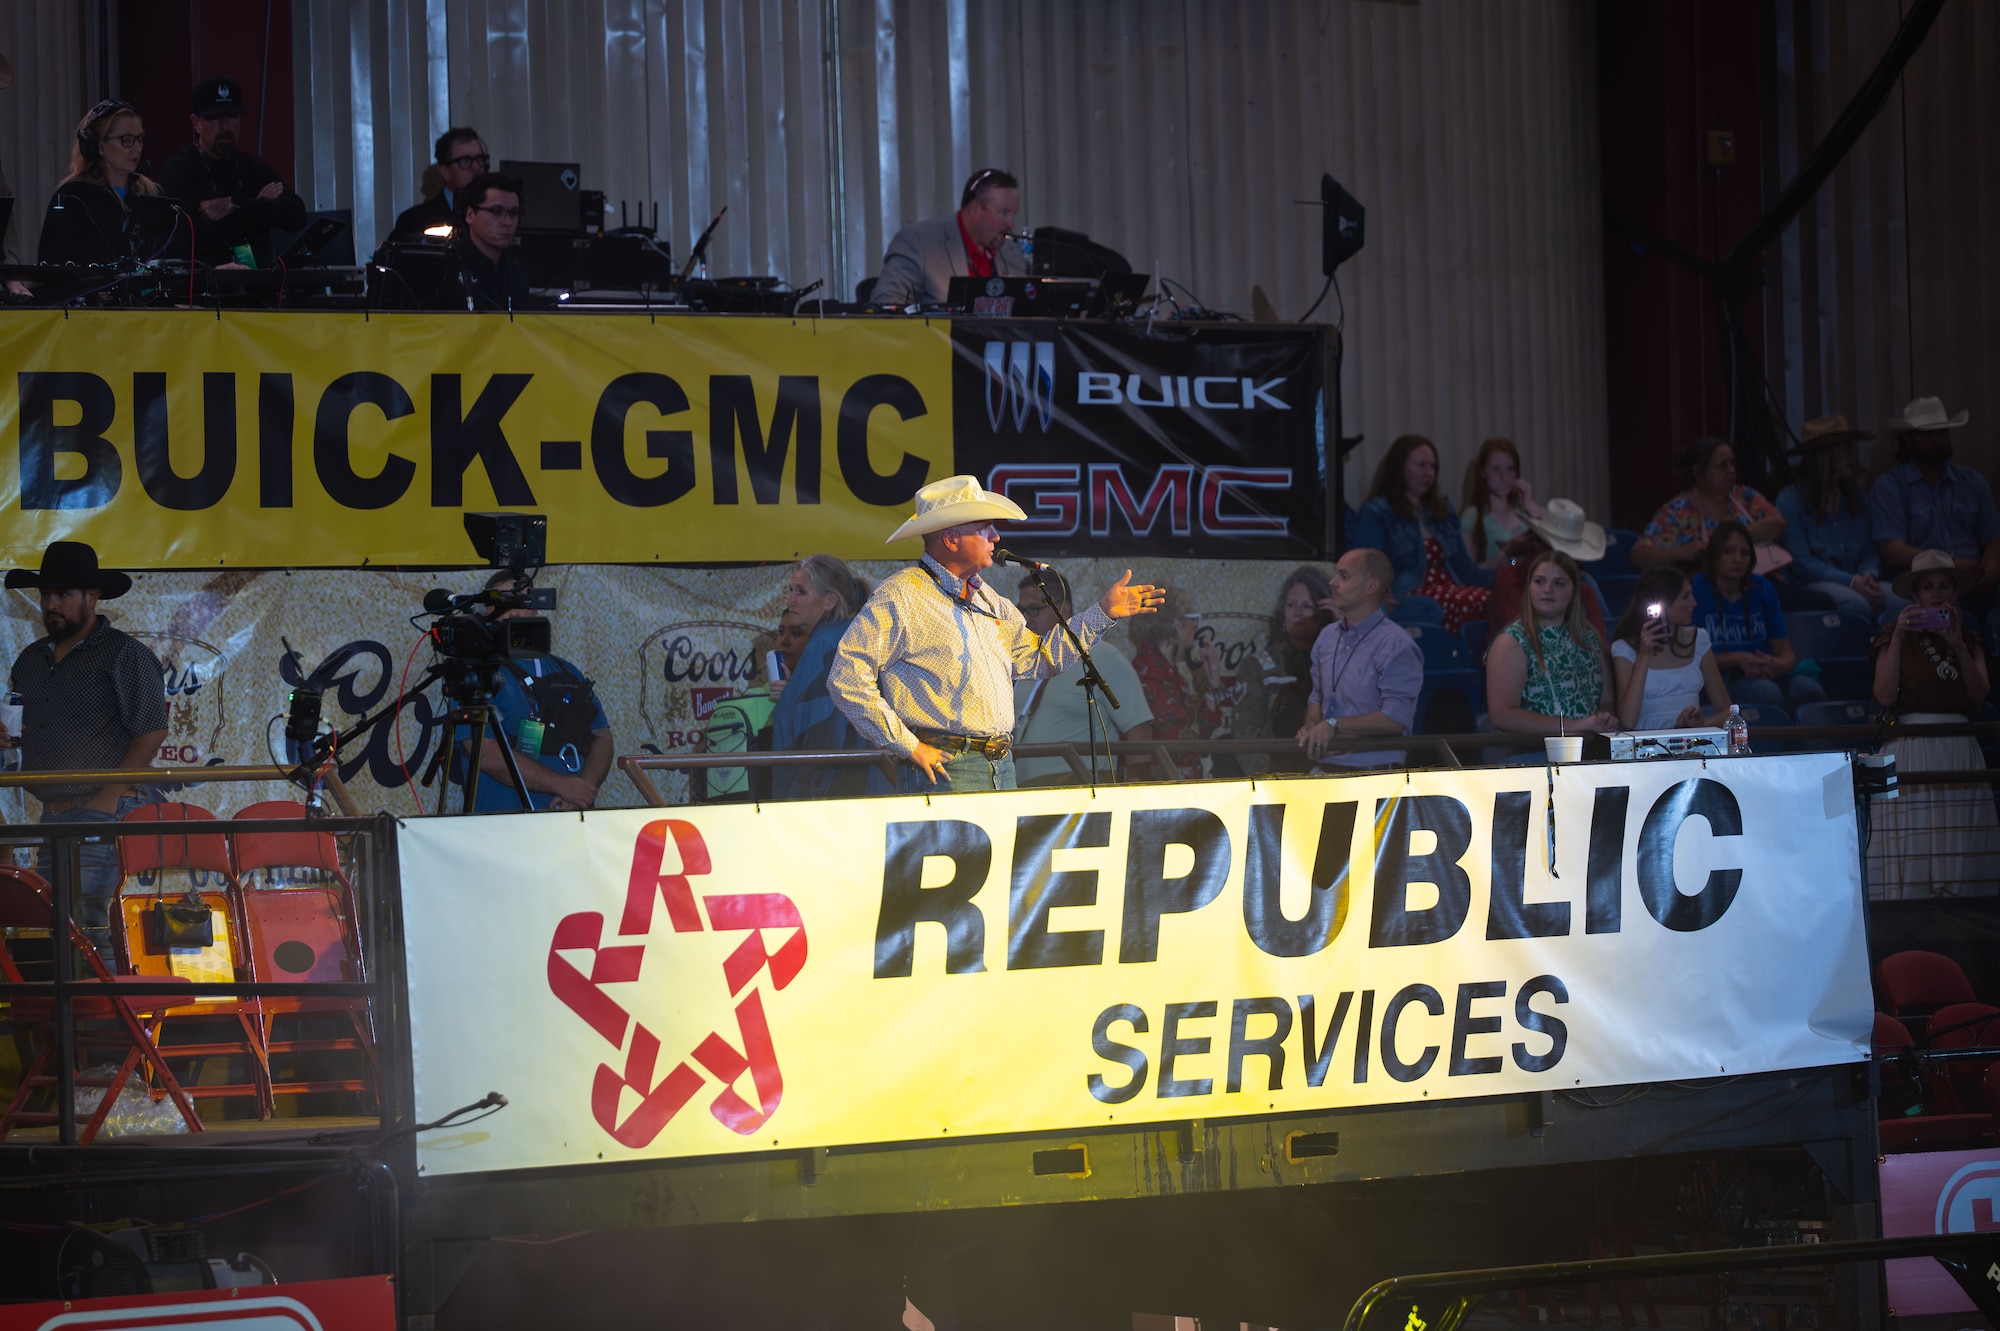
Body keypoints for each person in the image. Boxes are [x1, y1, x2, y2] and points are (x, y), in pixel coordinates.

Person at [827, 475, 1162, 792]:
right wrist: (908, 745)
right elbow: (846, 677)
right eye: (984, 528)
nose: (996, 536)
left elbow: (1040, 659)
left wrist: (1102, 612)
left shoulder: (990, 599)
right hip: (945, 765)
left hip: (1001, 765)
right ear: (951, 539)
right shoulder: (902, 595)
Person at [1, 541, 167, 955]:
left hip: (102, 810)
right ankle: (77, 1017)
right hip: (53, 815)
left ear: (92, 598)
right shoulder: (31, 660)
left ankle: (107, 1019)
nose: (51, 604)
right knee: (62, 927)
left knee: (88, 927)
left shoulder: (124, 654)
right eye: (46, 595)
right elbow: (22, 728)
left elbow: (151, 731)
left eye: (63, 595)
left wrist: (107, 797)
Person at [1865, 549, 1998, 899]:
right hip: (1910, 743)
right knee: (1913, 832)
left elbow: (1980, 692)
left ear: (1955, 594)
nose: (1936, 593)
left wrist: (1957, 644)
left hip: (1958, 744)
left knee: (1957, 836)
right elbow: (1884, 695)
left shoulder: (1970, 638)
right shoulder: (1891, 635)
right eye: (1928, 587)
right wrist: (1896, 639)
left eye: (1944, 586)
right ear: (1915, 595)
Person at [451, 571, 613, 812]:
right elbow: (483, 753)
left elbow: (602, 736)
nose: (514, 610)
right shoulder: (477, 673)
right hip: (503, 827)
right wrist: (562, 786)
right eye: (503, 602)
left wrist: (582, 790)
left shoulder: (568, 671)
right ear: (487, 610)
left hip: (568, 819)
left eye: (521, 601)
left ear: (535, 608)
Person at [1011, 567, 1155, 787]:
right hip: (1021, 792)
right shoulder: (1024, 662)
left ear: (1063, 608)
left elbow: (1139, 729)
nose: (1025, 619)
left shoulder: (1103, 656)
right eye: (1020, 610)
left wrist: (1138, 787)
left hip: (1080, 789)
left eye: (1033, 610)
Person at [1870, 397, 2000, 620]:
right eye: (1928, 435)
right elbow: (1892, 550)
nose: (1937, 441)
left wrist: (1992, 566)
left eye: (1942, 434)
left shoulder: (1972, 481)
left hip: (1973, 577)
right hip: (1922, 582)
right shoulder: (1890, 486)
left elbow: (1993, 536)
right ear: (1909, 440)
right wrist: (1950, 565)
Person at [157, 76, 306, 268]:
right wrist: (260, 209)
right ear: (196, 123)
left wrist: (235, 205)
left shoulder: (252, 166)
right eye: (216, 119)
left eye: (233, 117)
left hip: (256, 285)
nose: (226, 127)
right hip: (207, 288)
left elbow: (296, 214)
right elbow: (189, 236)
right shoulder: (179, 170)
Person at [1296, 548, 1425, 769]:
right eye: (1336, 574)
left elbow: (1393, 720)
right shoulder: (1327, 636)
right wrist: (1311, 727)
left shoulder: (1396, 645)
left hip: (1374, 776)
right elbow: (1317, 696)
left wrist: (1334, 725)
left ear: (1371, 586)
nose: (1333, 582)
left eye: (1344, 576)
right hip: (1324, 769)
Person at [1351, 434, 1493, 632]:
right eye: (1422, 466)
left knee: (1496, 597)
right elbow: (1363, 564)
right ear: (1400, 468)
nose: (1429, 473)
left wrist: (1507, 570)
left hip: (1452, 588)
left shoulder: (1441, 513)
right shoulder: (1378, 512)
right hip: (1409, 593)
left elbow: (1466, 570)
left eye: (1433, 467)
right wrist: (1378, 593)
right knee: (1475, 602)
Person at [1690, 520, 1825, 711]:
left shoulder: (1763, 587)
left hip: (1766, 673)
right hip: (1722, 680)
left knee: (1808, 688)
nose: (1737, 559)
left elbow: (1786, 652)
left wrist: (1779, 665)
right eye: (1729, 551)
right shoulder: (1697, 589)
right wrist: (1738, 659)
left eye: (1744, 553)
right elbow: (1689, 658)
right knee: (1766, 691)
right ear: (1713, 557)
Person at [769, 555, 872, 800]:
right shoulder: (844, 635)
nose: (790, 600)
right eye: (790, 590)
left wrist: (805, 802)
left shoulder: (825, 644)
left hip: (821, 795)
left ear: (830, 601)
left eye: (801, 592)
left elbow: (824, 737)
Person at [1485, 550, 1617, 735]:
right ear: (1529, 587)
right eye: (1539, 581)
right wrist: (1574, 726)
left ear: (1574, 589)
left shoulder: (1590, 638)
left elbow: (1606, 702)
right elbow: (1502, 716)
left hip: (1590, 750)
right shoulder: (1511, 641)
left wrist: (1604, 719)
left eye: (1559, 583)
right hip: (1533, 753)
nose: (1548, 589)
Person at [1776, 415, 1892, 621]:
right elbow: (1800, 561)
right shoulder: (1790, 500)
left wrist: (1868, 575)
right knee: (1856, 605)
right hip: (1814, 582)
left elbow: (1869, 550)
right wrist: (1851, 581)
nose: (1851, 453)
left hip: (1858, 578)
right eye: (1845, 447)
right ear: (1826, 455)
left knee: (1902, 601)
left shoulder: (1856, 497)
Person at [37, 100, 174, 267]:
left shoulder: (152, 193)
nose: (137, 147)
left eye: (139, 139)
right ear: (99, 145)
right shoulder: (72, 196)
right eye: (127, 139)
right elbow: (53, 265)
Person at [869, 168, 1027, 307]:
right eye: (1004, 213)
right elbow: (886, 303)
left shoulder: (1010, 252)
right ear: (975, 208)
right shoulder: (919, 241)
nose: (1010, 223)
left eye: (1014, 214)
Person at [1229, 565, 1333, 775]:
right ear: (1281, 612)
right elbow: (1245, 733)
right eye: (1291, 604)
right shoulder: (1259, 665)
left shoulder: (1335, 660)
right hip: (1277, 776)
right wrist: (1268, 779)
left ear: (1321, 612)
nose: (1297, 612)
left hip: (1330, 772)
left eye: (1306, 606)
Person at [1630, 436, 1786, 571]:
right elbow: (1638, 555)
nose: (1731, 470)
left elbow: (1777, 522)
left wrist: (1728, 539)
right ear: (1698, 472)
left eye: (1732, 463)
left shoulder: (1744, 496)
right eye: (1722, 466)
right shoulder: (1677, 511)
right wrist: (1682, 552)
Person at [1610, 568, 1734, 731]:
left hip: (1693, 743)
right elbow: (1627, 720)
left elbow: (1729, 712)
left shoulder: (1699, 639)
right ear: (1663, 603)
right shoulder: (1624, 648)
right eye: (1685, 597)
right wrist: (1644, 654)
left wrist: (1701, 724)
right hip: (1647, 745)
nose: (1694, 603)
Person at [1486, 499, 1611, 642]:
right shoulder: (1510, 579)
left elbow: (1599, 647)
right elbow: (1526, 638)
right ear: (1537, 543)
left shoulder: (1585, 592)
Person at [1125, 587, 1216, 780]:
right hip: (1162, 794)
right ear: (1177, 623)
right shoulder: (1150, 674)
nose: (1196, 626)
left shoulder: (1169, 672)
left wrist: (1212, 682)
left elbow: (1202, 732)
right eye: (1194, 619)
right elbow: (1179, 742)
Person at [435, 172, 534, 311]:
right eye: (496, 211)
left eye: (514, 213)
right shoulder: (445, 267)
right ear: (470, 215)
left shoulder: (517, 272)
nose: (508, 222)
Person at [388, 127, 489, 242]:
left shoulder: (500, 215)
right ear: (445, 172)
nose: (476, 167)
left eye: (480, 159)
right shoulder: (414, 220)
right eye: (465, 161)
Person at [1460, 438, 1544, 569]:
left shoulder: (1523, 510)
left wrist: (1530, 503)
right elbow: (1468, 573)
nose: (1504, 476)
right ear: (1483, 472)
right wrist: (1508, 552)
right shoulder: (1472, 517)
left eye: (1510, 468)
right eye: (1496, 468)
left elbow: (1553, 548)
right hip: (1496, 584)